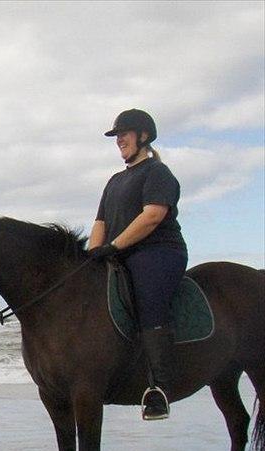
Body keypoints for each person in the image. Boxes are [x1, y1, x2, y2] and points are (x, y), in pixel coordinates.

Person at [88, 109, 188, 420]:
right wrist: (92, 254)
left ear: (143, 136)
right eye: (116, 135)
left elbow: (152, 216)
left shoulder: (157, 173)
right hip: (118, 253)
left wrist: (113, 246)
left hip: (157, 252)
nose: (119, 139)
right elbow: (101, 222)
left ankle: (159, 389)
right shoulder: (115, 180)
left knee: (147, 298)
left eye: (124, 133)